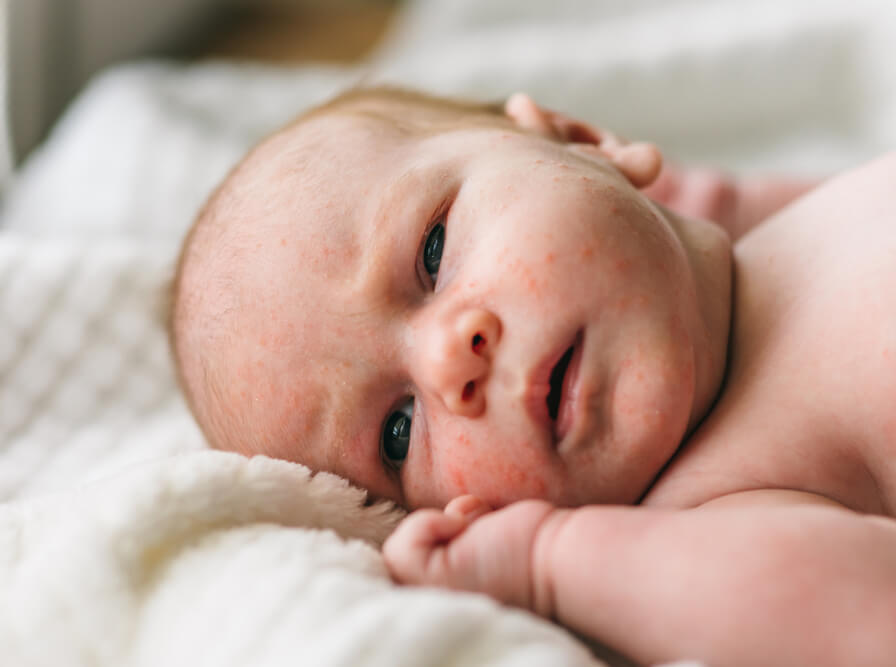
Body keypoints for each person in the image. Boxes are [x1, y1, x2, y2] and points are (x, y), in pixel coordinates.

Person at [169, 86, 896, 665]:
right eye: (398, 430)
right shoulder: (716, 504)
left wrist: (649, 200)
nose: (449, 362)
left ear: (581, 140)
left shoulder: (768, 236)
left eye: (431, 251)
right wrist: (548, 562)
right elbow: (866, 615)